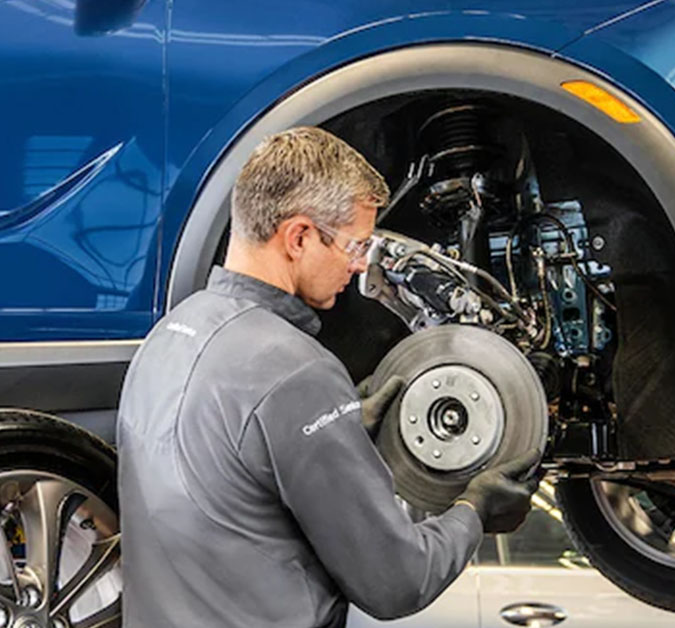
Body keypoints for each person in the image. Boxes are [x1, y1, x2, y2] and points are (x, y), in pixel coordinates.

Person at [116, 126, 543, 628]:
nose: (360, 264)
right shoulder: (295, 371)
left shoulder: (168, 336)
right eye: (354, 245)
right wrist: (474, 508)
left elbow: (228, 484)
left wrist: (337, 431)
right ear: (298, 236)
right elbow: (397, 583)